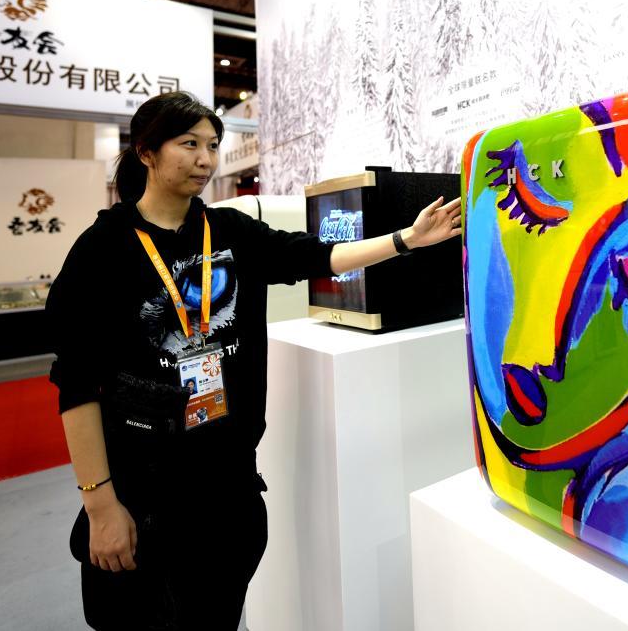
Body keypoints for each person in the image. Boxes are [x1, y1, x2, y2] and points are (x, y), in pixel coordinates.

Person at [46, 91, 461, 630]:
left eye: (213, 146)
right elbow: (77, 384)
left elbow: (318, 256)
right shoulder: (103, 249)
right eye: (189, 144)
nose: (205, 159)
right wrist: (101, 507)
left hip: (229, 487)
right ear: (146, 152)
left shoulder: (231, 232)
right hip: (144, 491)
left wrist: (406, 239)